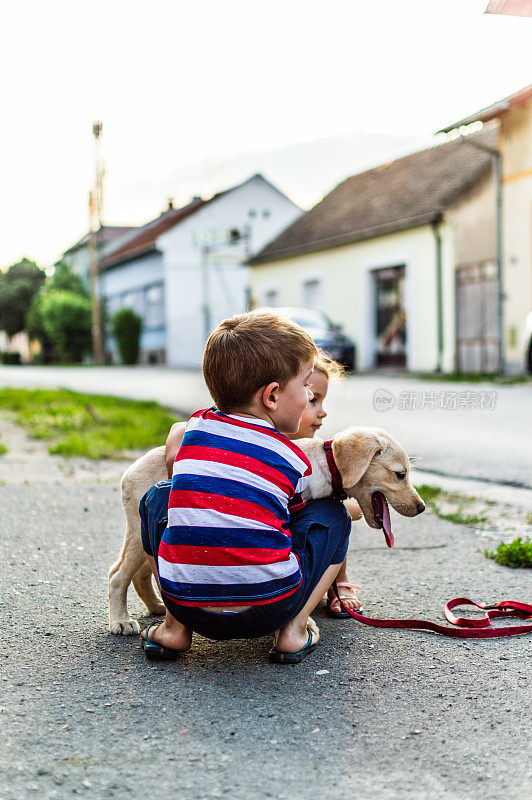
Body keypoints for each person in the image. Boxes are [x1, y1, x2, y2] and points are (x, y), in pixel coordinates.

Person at [138, 311, 352, 664]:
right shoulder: (290, 456)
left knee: (157, 497)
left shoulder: (195, 428)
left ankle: (173, 629)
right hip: (270, 609)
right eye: (305, 387)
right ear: (272, 396)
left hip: (188, 603)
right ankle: (294, 632)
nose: (309, 395)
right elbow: (293, 516)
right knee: (333, 515)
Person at [286, 354, 364, 617]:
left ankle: (337, 582)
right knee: (333, 514)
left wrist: (349, 506)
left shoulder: (320, 451)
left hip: (303, 529)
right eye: (313, 399)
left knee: (335, 509)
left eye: (322, 400)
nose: (323, 411)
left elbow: (352, 505)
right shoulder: (274, 449)